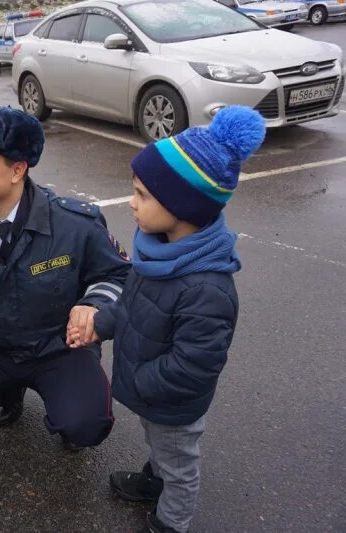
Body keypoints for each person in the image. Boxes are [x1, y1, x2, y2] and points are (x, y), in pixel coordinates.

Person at [74, 106, 265, 533]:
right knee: (159, 446)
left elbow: (194, 367)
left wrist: (140, 383)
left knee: (180, 463)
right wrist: (104, 322)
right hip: (149, 392)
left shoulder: (207, 288)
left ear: (183, 206)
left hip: (170, 402)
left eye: (143, 194)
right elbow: (134, 305)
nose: (131, 202)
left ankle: (170, 521)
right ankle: (154, 479)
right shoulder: (158, 249)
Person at [0, 105, 131, 450]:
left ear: (17, 170)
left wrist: (94, 305)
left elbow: (117, 275)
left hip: (60, 347)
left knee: (86, 426)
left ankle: (64, 405)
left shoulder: (75, 224)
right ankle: (7, 392)